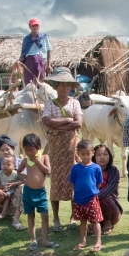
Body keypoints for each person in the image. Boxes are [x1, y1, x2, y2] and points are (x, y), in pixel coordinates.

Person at [41, 67, 84, 231]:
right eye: (62, 85)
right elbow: (47, 122)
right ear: (56, 86)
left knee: (74, 181)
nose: (65, 88)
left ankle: (73, 217)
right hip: (56, 149)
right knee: (56, 182)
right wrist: (67, 120)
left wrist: (58, 124)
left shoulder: (75, 103)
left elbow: (78, 123)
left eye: (68, 85)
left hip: (72, 148)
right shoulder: (50, 104)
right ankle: (57, 219)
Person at [22, 133, 58, 251]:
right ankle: (33, 240)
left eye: (31, 150)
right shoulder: (25, 160)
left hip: (40, 192)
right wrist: (21, 176)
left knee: (45, 216)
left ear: (38, 147)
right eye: (26, 150)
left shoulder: (44, 157)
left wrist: (37, 161)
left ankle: (45, 240)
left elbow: (48, 171)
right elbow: (19, 171)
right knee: (30, 215)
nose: (29, 153)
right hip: (28, 191)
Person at [69, 140, 103, 252]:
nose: (85, 156)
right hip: (79, 199)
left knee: (95, 221)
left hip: (92, 199)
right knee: (82, 221)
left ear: (92, 153)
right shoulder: (75, 168)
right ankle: (82, 241)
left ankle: (98, 242)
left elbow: (98, 182)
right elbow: (72, 182)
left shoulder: (96, 168)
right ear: (78, 153)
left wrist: (92, 191)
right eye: (83, 154)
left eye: (88, 154)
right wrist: (76, 192)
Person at [10, 18, 52, 87]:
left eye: (36, 25)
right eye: (33, 26)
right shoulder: (26, 39)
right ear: (29, 26)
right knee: (29, 85)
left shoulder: (44, 37)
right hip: (29, 63)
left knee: (42, 84)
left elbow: (49, 50)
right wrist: (18, 62)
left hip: (41, 62)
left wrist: (49, 65)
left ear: (39, 26)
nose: (35, 27)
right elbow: (23, 54)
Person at [94, 144, 122, 235]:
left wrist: (93, 197)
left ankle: (107, 222)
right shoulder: (90, 171)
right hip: (94, 207)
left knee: (105, 197)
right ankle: (94, 223)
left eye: (105, 154)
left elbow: (109, 190)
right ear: (93, 157)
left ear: (110, 156)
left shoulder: (114, 171)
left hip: (112, 210)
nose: (102, 157)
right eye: (99, 155)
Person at [0, 156, 22, 221]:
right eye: (3, 164)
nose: (5, 166)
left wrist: (14, 184)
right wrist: (1, 188)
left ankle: (3, 213)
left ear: (14, 166)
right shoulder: (0, 173)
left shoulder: (15, 174)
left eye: (8, 164)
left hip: (12, 190)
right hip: (2, 189)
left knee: (7, 197)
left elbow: (22, 181)